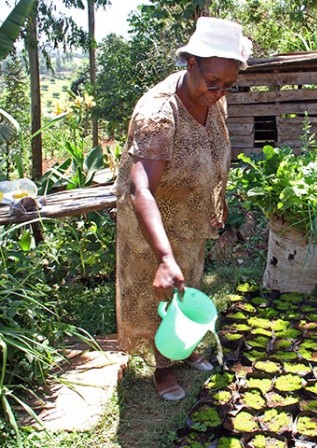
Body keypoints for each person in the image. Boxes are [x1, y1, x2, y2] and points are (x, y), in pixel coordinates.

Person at [112, 17, 252, 401]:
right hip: (151, 219)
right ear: (191, 63)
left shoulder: (210, 96)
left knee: (187, 281)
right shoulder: (159, 114)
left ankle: (184, 350)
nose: (220, 93)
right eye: (214, 83)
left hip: (188, 215)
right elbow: (142, 187)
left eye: (228, 85)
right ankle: (163, 368)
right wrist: (163, 256)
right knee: (159, 293)